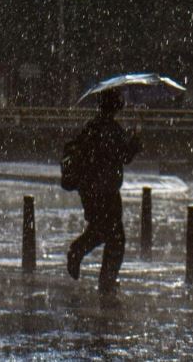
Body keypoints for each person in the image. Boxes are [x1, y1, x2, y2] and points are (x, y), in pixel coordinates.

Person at [67, 89, 141, 294]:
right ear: (116, 106)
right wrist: (135, 140)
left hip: (90, 189)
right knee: (115, 237)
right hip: (106, 190)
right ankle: (105, 279)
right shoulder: (111, 129)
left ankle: (81, 254)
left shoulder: (92, 127)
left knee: (102, 230)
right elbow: (123, 156)